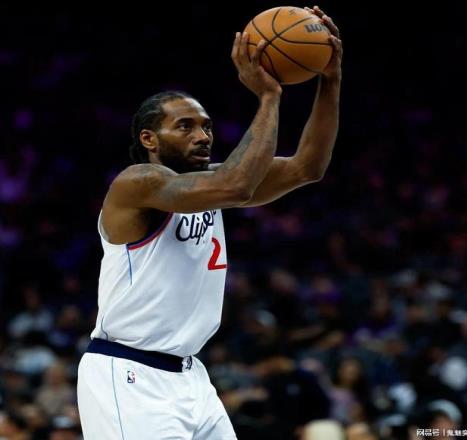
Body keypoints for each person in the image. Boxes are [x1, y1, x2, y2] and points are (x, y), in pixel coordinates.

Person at [77, 6, 342, 439]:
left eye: (206, 126)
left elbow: (307, 167)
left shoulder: (210, 182)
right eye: (185, 127)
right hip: (129, 374)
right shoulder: (138, 183)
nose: (202, 136)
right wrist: (270, 97)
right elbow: (235, 186)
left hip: (191, 376)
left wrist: (330, 79)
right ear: (149, 139)